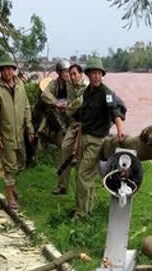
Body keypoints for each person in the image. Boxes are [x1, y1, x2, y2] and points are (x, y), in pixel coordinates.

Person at [73, 56, 126, 218]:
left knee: (84, 175)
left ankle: (82, 213)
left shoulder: (107, 93)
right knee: (83, 176)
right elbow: (82, 119)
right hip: (85, 137)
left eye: (99, 73)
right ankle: (85, 208)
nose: (96, 76)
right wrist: (76, 143)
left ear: (102, 75)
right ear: (88, 75)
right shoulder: (86, 93)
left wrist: (120, 128)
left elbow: (114, 111)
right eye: (93, 73)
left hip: (97, 140)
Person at [0, 60, 35, 210]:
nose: (7, 72)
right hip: (5, 135)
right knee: (9, 167)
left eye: (10, 69)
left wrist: (30, 127)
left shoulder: (20, 85)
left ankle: (12, 185)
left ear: (14, 70)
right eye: (4, 70)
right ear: (0, 72)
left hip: (20, 133)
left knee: (21, 162)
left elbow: (26, 107)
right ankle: (10, 198)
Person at [52, 63, 88, 195]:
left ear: (81, 74)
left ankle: (81, 190)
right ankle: (62, 186)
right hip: (74, 124)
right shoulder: (69, 86)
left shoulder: (87, 86)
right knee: (65, 148)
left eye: (75, 74)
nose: (72, 77)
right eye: (71, 74)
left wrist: (68, 106)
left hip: (86, 125)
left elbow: (80, 102)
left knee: (80, 156)